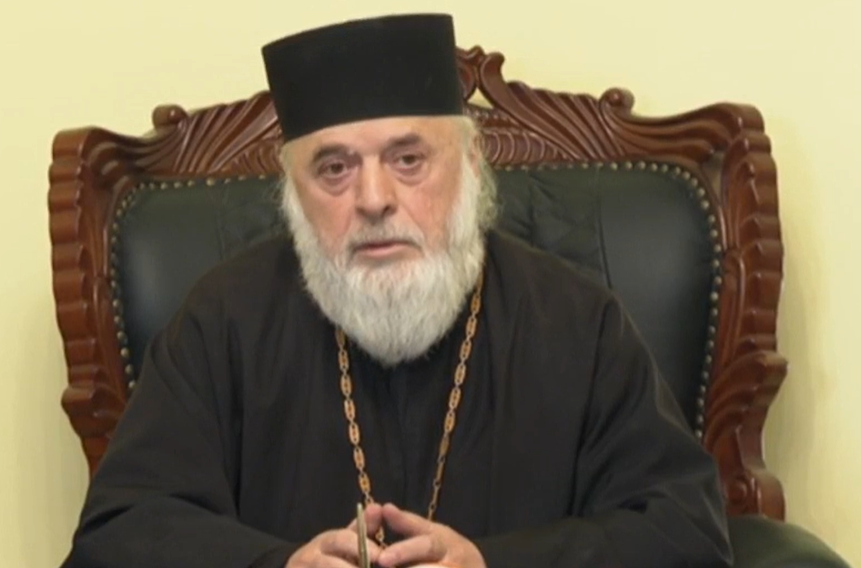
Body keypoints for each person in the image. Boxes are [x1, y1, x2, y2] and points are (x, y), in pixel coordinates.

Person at [60, 13, 733, 568]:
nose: (374, 199)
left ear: (471, 164)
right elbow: (117, 534)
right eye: (333, 168)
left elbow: (687, 533)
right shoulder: (223, 322)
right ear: (293, 192)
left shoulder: (577, 324)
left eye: (408, 159)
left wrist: (493, 565)